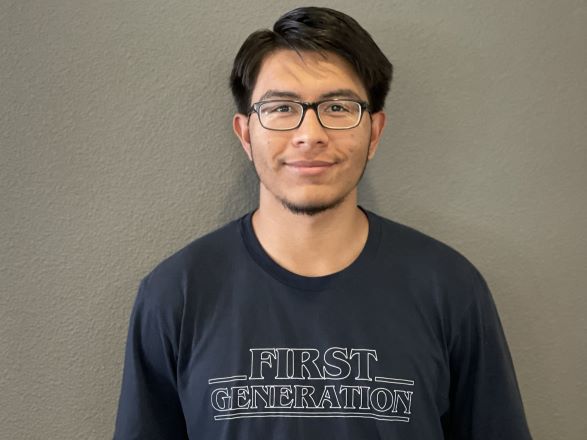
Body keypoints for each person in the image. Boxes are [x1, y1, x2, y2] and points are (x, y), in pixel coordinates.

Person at [113, 6, 532, 439]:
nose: (310, 134)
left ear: (374, 132)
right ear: (245, 134)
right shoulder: (176, 295)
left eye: (337, 107)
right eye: (281, 108)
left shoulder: (449, 288)